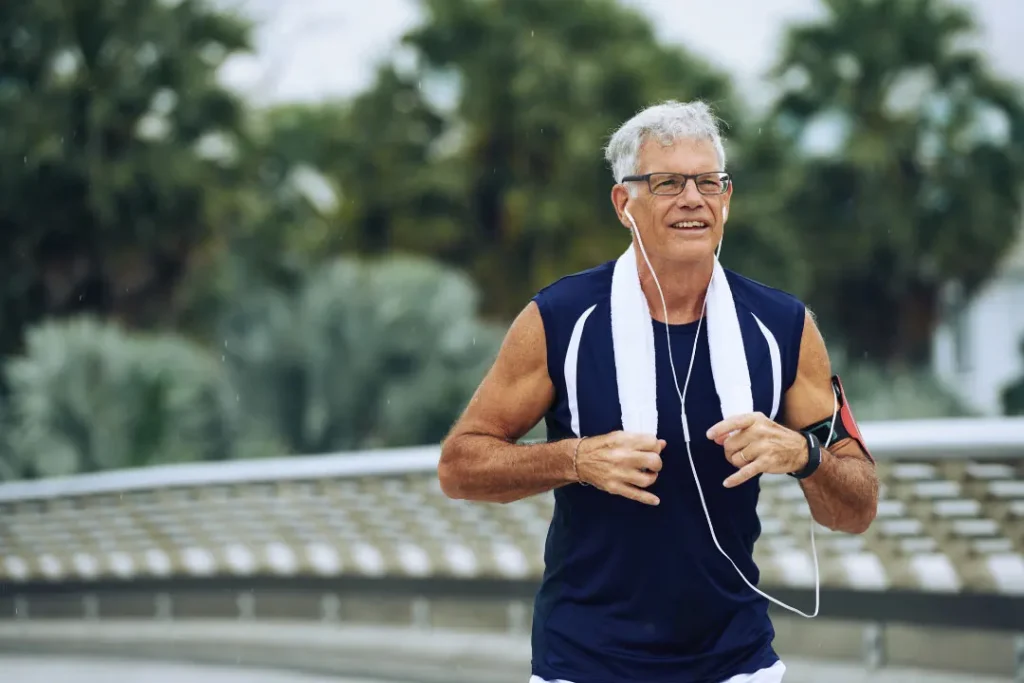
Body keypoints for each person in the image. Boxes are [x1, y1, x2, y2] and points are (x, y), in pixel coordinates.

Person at [438, 100, 879, 683]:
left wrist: (803, 456)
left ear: (727, 198)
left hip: (736, 661)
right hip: (585, 661)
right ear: (625, 202)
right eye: (667, 183)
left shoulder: (785, 327)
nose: (692, 199)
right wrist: (574, 458)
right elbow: (459, 466)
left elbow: (858, 505)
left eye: (707, 182)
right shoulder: (561, 319)